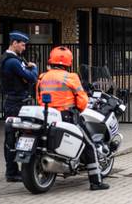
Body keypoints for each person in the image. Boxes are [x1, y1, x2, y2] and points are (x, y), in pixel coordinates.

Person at [36, 46, 109, 191]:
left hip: (47, 115)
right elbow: (82, 100)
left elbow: (39, 97)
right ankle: (96, 182)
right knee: (89, 145)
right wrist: (79, 110)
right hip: (67, 116)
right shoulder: (70, 77)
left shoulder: (42, 76)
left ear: (51, 59)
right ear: (69, 61)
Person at [0, 30, 38, 182]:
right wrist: (33, 67)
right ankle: (12, 172)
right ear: (14, 43)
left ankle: (14, 170)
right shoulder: (12, 61)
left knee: (16, 135)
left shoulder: (13, 59)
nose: (24, 48)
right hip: (14, 103)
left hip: (16, 101)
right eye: (22, 45)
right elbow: (32, 77)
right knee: (12, 137)